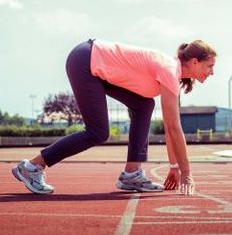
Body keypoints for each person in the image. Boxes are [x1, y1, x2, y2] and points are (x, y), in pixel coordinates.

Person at [12, 38, 216, 196]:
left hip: (92, 61)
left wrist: (174, 167)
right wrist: (186, 173)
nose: (212, 72)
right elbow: (173, 127)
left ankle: (132, 174)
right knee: (98, 132)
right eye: (209, 66)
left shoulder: (172, 71)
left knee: (144, 105)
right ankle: (32, 166)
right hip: (85, 60)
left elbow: (171, 129)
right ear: (195, 62)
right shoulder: (169, 70)